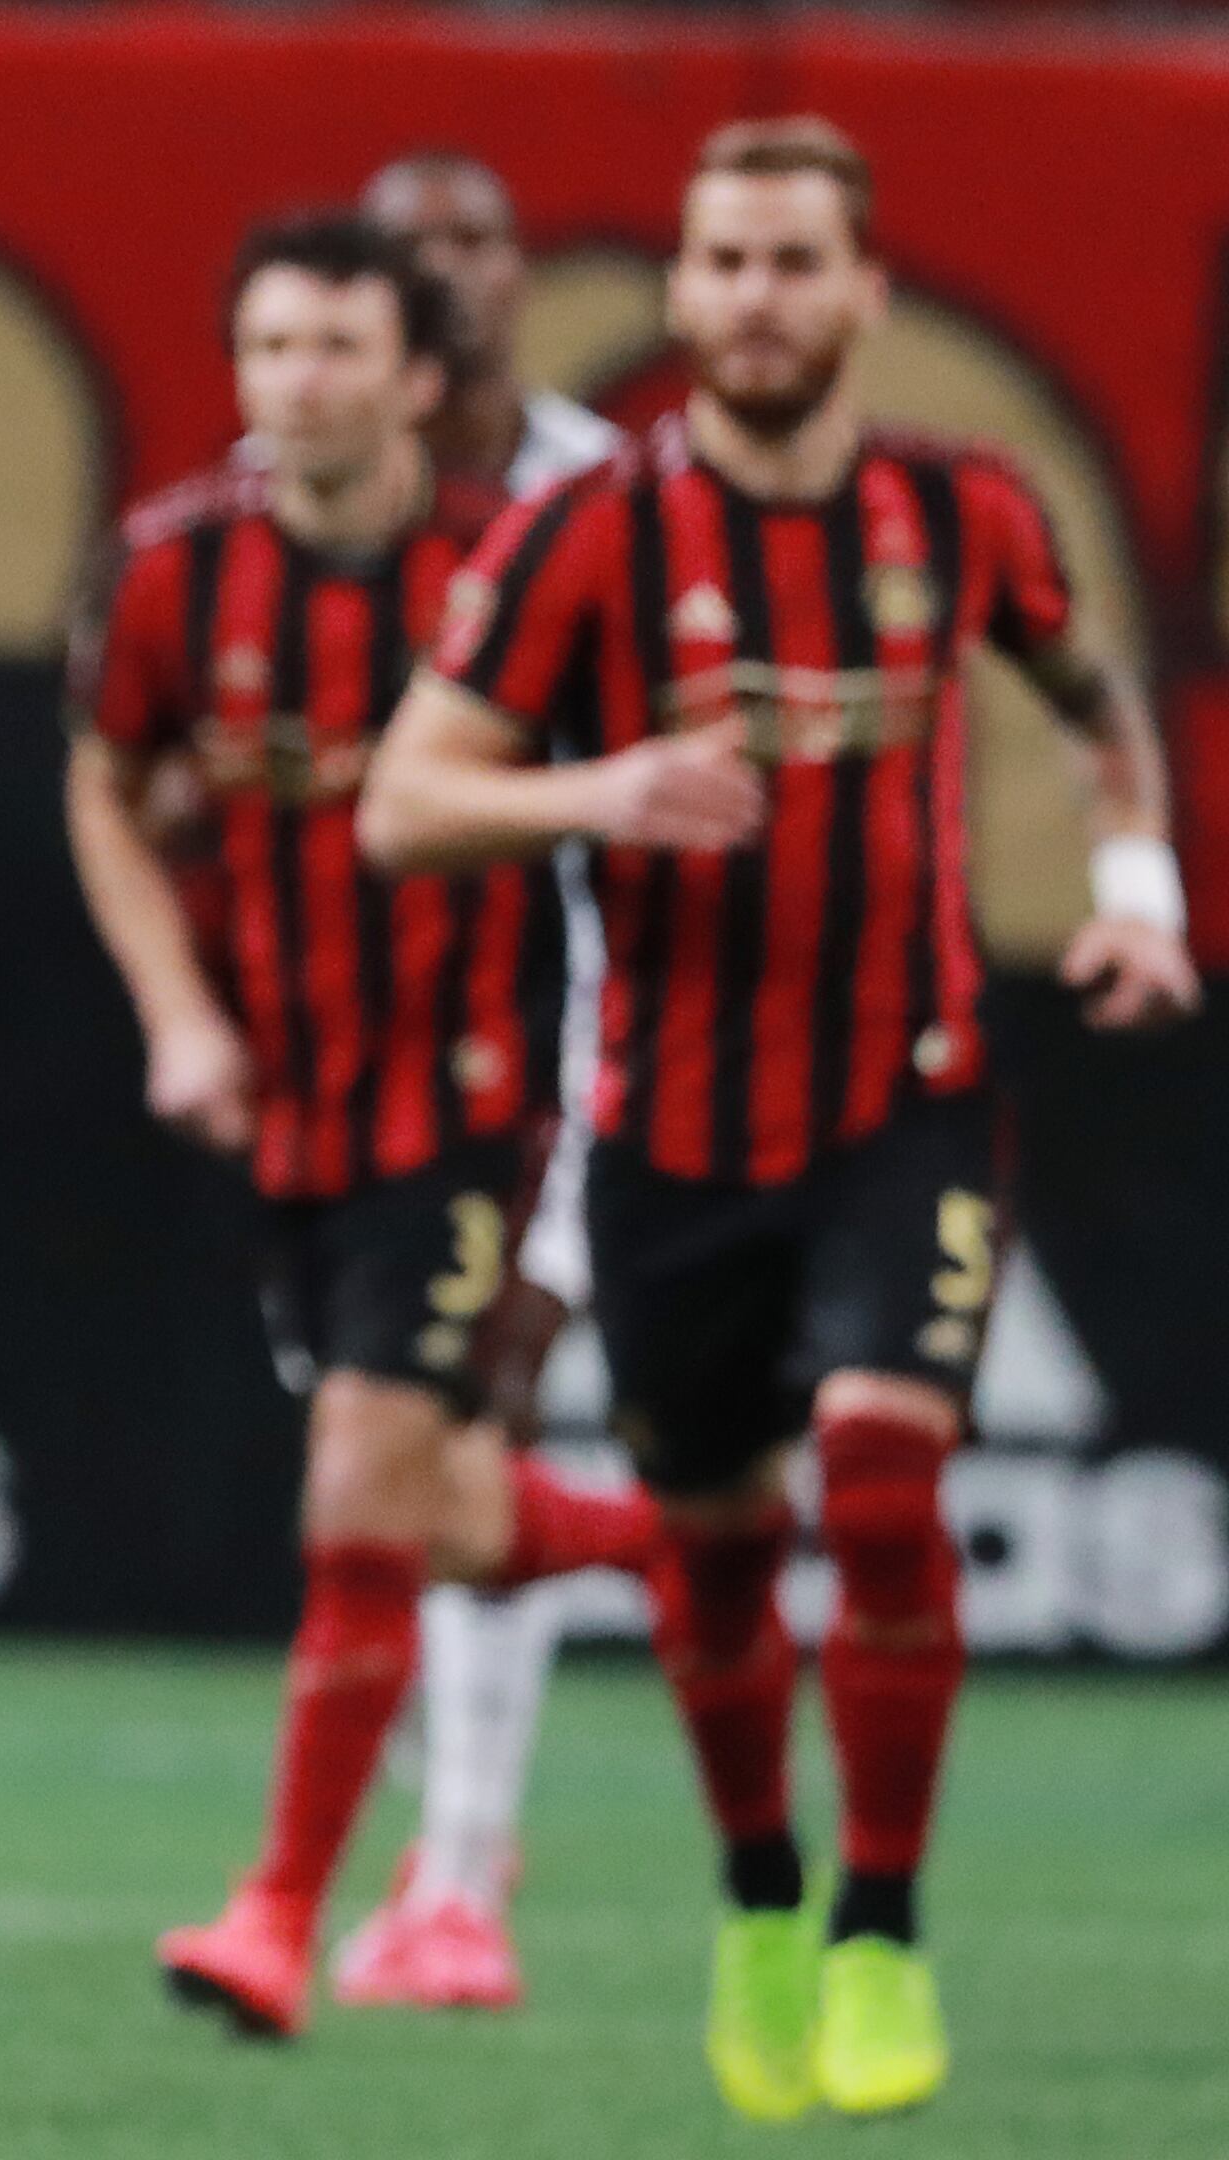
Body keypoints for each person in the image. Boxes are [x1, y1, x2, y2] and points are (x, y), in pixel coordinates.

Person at [365, 117, 1197, 2121]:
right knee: (720, 1554)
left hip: (899, 1105)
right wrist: (596, 794)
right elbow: (407, 799)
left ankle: (883, 1929)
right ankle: (758, 1894)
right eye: (722, 262)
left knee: (887, 1484)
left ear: (862, 293)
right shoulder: (588, 542)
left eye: (792, 262)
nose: (753, 298)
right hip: (665, 1142)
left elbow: (1098, 709)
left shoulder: (964, 512)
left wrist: (1139, 892)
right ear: (681, 293)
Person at [66, 212, 663, 2044]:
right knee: (438, 1510)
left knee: (355, 1504)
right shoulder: (175, 571)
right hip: (300, 1112)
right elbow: (102, 779)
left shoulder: (516, 569)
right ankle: (691, 1535)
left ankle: (279, 1916)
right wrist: (179, 1012)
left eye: (333, 347)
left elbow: (642, 801)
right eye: (266, 349)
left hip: (488, 1103)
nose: (293, 384)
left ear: (419, 379)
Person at [333, 148, 632, 2015]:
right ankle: (448, 1841)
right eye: (405, 247)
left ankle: (454, 1870)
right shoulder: (304, 500)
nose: (443, 273)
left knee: (464, 1429)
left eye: (472, 239)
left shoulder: (607, 498)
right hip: (349, 1054)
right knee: (389, 1459)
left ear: (520, 272)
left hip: (545, 1043)